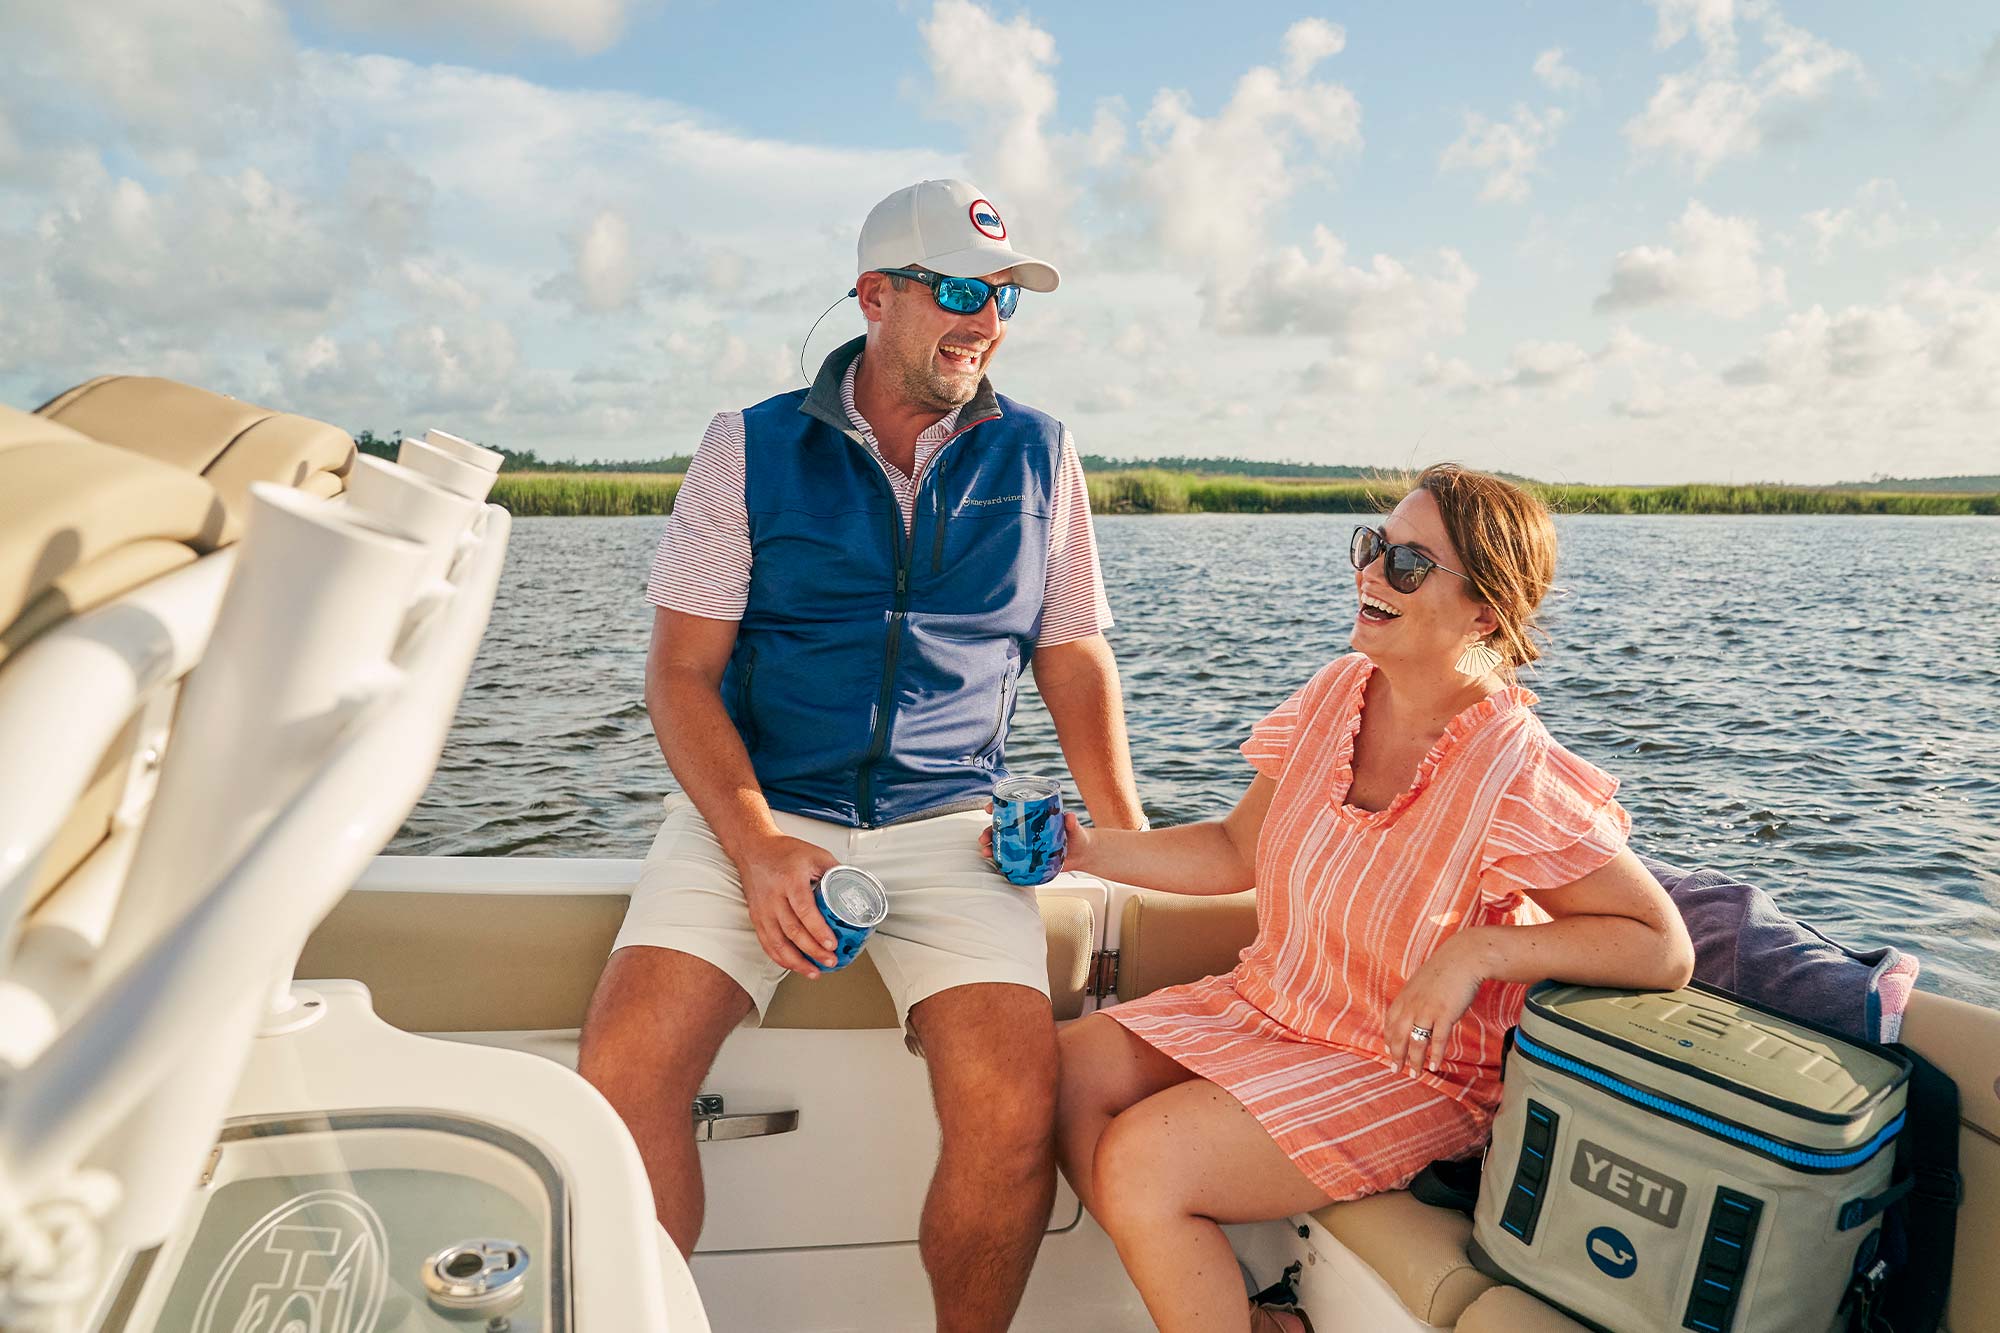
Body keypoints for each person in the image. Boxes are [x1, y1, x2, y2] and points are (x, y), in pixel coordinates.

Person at [576, 178, 1146, 1333]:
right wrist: (755, 847)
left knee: (1008, 1099)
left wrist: (1125, 838)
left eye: (1001, 296)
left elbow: (1071, 655)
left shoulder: (1043, 456)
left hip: (951, 826)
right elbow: (680, 676)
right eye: (957, 290)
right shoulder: (745, 448)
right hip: (759, 807)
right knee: (622, 1081)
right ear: (874, 297)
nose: (983, 318)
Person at [1040, 465, 1696, 1333]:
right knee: (1060, 1067)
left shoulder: (1512, 770)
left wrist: (1476, 952)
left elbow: (1660, 944)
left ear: (1485, 611)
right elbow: (1238, 847)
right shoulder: (1337, 694)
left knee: (1144, 1162)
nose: (1372, 573)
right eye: (1372, 547)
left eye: (1409, 565)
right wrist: (1087, 849)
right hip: (1272, 1006)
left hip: (1403, 1065)